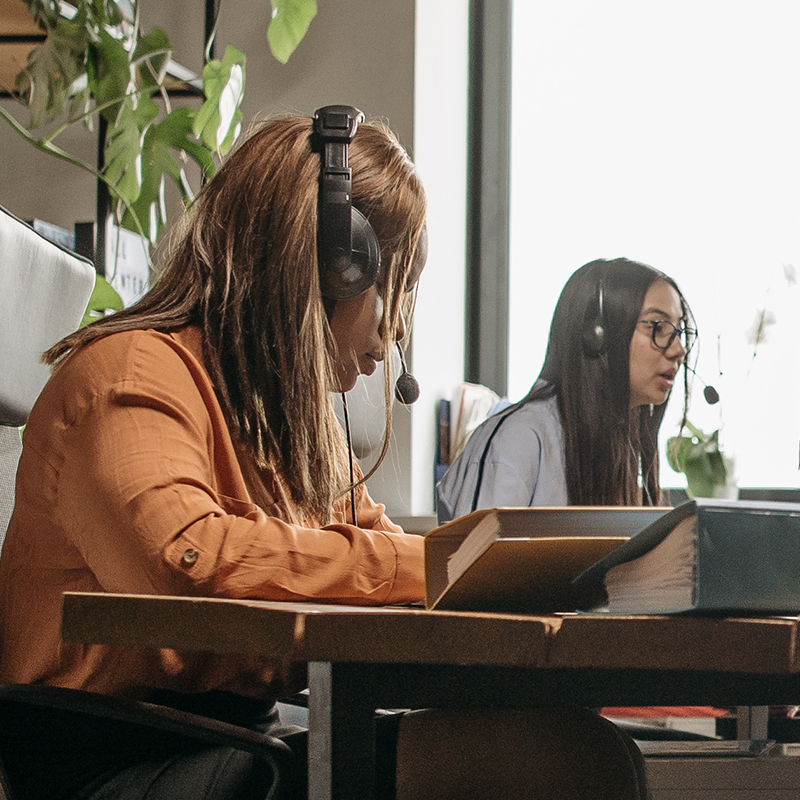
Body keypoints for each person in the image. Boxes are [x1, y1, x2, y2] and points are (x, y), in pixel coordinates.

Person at [0, 111, 649, 799]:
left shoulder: (286, 426)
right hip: (118, 764)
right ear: (328, 263)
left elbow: (378, 553)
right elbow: (192, 565)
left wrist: (476, 575)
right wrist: (442, 564)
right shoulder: (128, 377)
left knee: (594, 750)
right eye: (391, 290)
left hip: (237, 740)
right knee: (567, 763)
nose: (393, 333)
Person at [436, 257, 695, 523]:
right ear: (598, 335)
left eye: (679, 330)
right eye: (659, 327)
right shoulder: (519, 438)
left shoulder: (618, 446)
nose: (678, 350)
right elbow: (476, 563)